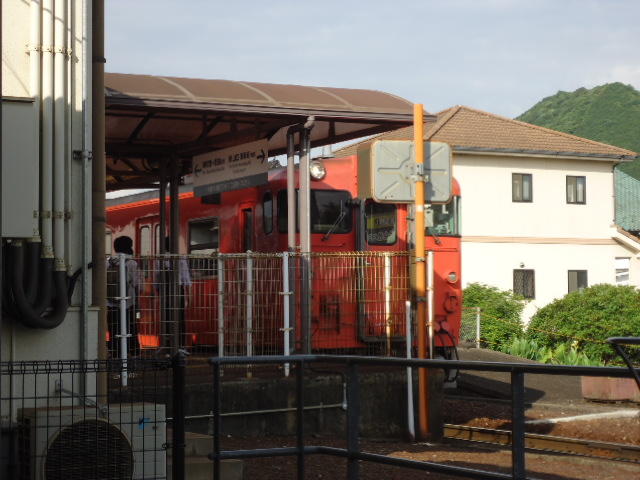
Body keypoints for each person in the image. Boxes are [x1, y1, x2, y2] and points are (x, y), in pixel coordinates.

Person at [107, 235, 140, 358]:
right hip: (128, 303)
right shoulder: (132, 263)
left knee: (114, 327)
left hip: (112, 302)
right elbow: (137, 284)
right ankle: (133, 350)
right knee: (131, 326)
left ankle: (115, 352)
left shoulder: (108, 262)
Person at [155, 238, 192, 349]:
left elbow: (157, 279)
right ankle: (180, 345)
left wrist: (158, 294)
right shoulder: (180, 258)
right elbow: (186, 279)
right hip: (178, 290)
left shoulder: (160, 259)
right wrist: (189, 297)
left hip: (165, 291)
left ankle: (167, 345)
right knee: (179, 317)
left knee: (166, 317)